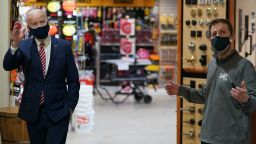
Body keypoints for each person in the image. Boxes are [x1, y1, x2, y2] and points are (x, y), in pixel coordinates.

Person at [165, 18, 256, 144]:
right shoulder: (213, 64)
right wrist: (180, 90)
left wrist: (246, 99)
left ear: (232, 36)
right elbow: (205, 95)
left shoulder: (244, 66)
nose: (218, 36)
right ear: (210, 39)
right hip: (208, 136)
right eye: (214, 34)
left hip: (232, 139)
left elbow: (253, 103)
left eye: (223, 32)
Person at [3, 8, 80, 144]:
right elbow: (8, 65)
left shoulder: (63, 47)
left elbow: (73, 80)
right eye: (34, 23)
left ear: (48, 21)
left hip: (59, 111)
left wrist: (70, 107)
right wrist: (15, 44)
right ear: (28, 27)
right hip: (34, 112)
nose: (39, 26)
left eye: (42, 21)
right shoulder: (24, 46)